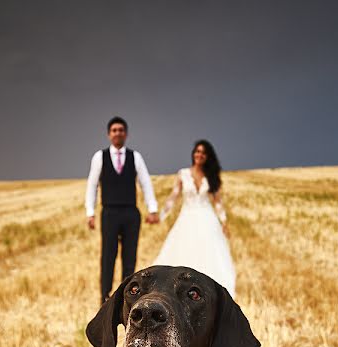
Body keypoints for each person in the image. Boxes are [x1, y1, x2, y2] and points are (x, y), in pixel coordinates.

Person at [85, 116, 160, 303]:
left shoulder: (135, 157)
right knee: (108, 255)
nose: (118, 133)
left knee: (130, 256)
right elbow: (92, 185)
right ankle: (105, 295)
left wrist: (152, 208)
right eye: (114, 130)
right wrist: (90, 212)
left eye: (121, 130)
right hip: (109, 212)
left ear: (126, 134)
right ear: (109, 134)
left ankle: (128, 295)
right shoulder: (99, 157)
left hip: (130, 213)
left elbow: (145, 183)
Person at [154, 140, 236, 297]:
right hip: (187, 217)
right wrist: (161, 215)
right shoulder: (183, 174)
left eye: (203, 153)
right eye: (197, 152)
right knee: (184, 249)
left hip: (207, 217)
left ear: (207, 157)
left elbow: (217, 202)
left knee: (208, 251)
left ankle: (206, 288)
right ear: (193, 154)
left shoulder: (211, 176)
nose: (199, 155)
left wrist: (223, 221)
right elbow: (174, 196)